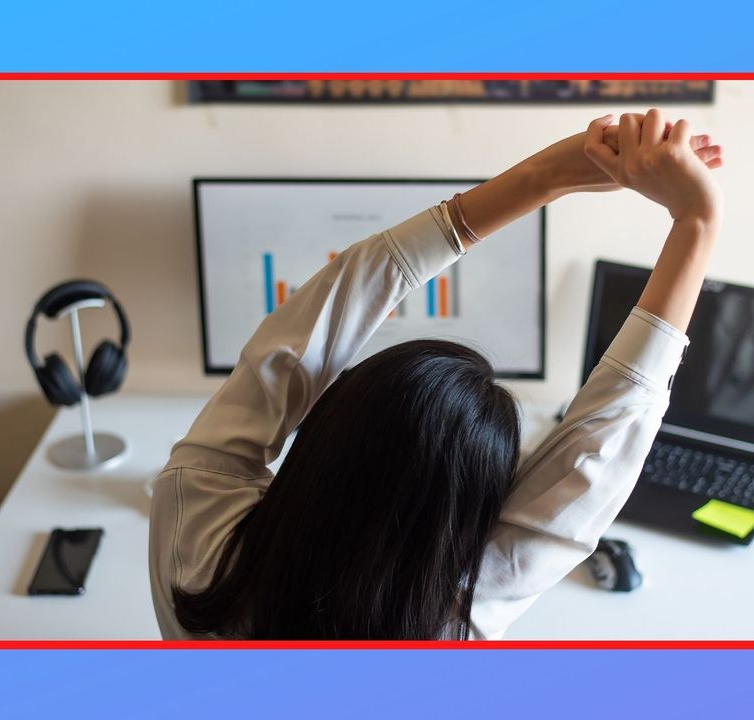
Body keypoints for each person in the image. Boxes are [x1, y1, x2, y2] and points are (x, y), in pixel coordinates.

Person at [148, 109, 725, 640]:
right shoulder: (449, 625)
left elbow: (301, 338)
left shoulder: (193, 532)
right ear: (468, 519)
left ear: (325, 428)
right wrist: (695, 219)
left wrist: (546, 176)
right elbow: (593, 463)